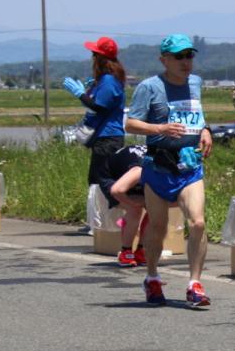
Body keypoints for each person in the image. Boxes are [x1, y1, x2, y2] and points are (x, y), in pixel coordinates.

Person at [125, 34, 214, 308]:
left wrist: (206, 131)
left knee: (197, 222)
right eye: (178, 56)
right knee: (158, 226)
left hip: (189, 165)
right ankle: (152, 277)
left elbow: (197, 115)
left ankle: (194, 284)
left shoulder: (195, 84)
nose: (185, 62)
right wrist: (159, 129)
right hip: (159, 166)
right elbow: (130, 124)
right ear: (164, 60)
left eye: (189, 55)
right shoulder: (150, 88)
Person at [64, 36, 126, 195]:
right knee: (100, 180)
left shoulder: (108, 80)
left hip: (107, 139)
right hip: (106, 138)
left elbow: (98, 107)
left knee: (99, 182)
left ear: (100, 58)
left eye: (94, 54)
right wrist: (90, 90)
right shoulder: (108, 80)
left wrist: (79, 94)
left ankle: (101, 217)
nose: (92, 58)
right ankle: (102, 216)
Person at [99, 143, 148, 267]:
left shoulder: (170, 171)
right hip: (113, 178)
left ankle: (141, 250)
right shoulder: (139, 169)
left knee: (156, 209)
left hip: (133, 177)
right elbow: (117, 191)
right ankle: (126, 252)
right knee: (134, 210)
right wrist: (133, 204)